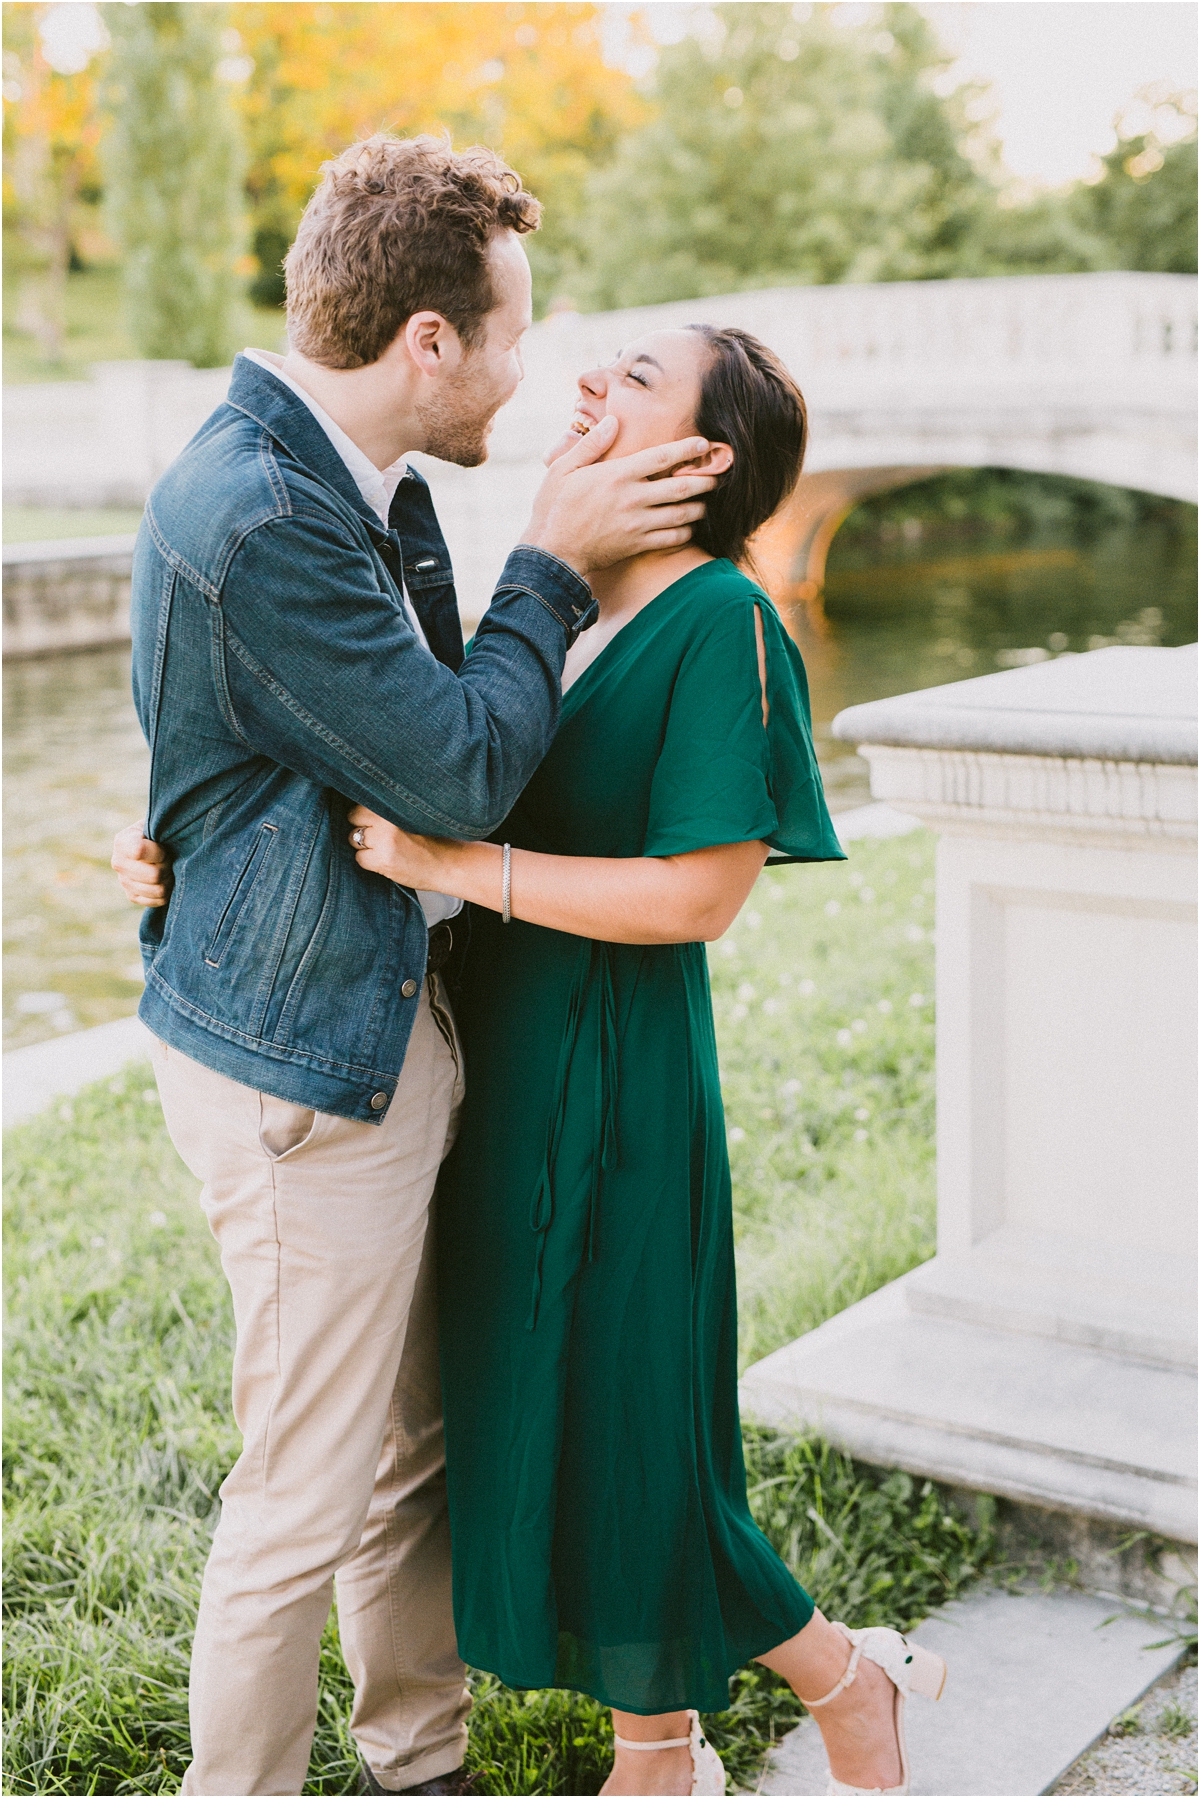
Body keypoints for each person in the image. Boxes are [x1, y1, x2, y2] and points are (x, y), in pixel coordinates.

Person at [108, 132, 721, 1798]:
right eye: (514, 332)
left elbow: (243, 716)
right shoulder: (264, 505)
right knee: (303, 1492)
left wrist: (173, 826)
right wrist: (552, 559)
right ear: (428, 341)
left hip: (366, 1025)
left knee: (403, 1460)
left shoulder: (351, 482)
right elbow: (458, 767)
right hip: (303, 1061)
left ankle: (418, 1762)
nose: (532, 369)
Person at [330, 325, 950, 1797]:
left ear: (704, 457)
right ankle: (658, 1751)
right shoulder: (558, 611)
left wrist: (456, 865)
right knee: (557, 1408)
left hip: (616, 1085)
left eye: (636, 375)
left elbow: (698, 894)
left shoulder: (725, 622)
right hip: (508, 1075)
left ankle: (849, 1679)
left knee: (637, 1434)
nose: (590, 381)